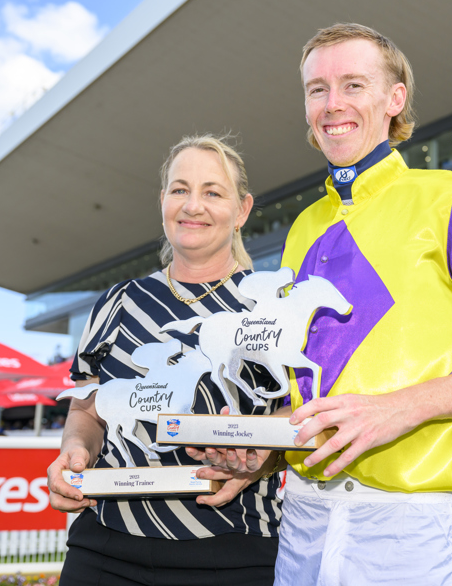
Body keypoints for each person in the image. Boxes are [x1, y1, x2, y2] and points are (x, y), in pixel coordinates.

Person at [274, 23, 452, 584]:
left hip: (404, 531)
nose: (332, 104)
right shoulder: (302, 227)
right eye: (317, 89)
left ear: (395, 99)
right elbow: (298, 383)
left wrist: (404, 407)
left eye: (353, 85)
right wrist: (256, 445)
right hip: (300, 522)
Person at [46, 135, 283, 586]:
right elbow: (87, 409)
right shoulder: (116, 303)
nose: (193, 206)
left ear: (242, 210)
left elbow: (301, 412)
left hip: (234, 549)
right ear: (162, 202)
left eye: (212, 192)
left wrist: (263, 456)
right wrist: (75, 450)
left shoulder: (269, 306)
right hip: (106, 545)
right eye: (180, 190)